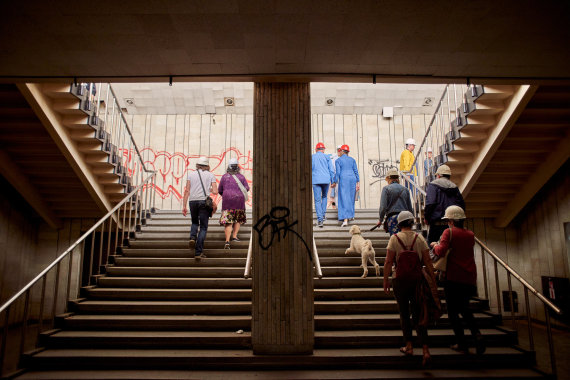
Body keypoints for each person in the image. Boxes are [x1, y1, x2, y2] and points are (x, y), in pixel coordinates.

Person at [430, 206, 486, 355]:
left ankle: (461, 343)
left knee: (453, 312)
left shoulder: (449, 232)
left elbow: (441, 251)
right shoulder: (470, 234)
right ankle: (477, 335)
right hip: (469, 278)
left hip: (453, 277)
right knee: (465, 309)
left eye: (448, 220)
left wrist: (435, 245)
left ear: (451, 221)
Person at [383, 211, 436, 367]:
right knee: (419, 314)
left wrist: (385, 280)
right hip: (417, 280)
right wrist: (432, 280)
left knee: (404, 313)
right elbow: (428, 261)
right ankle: (425, 350)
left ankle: (409, 346)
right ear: (412, 223)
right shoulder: (419, 238)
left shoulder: (394, 238)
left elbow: (388, 261)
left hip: (399, 280)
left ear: (399, 224)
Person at [182, 156, 218, 261]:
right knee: (203, 227)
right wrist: (208, 189)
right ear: (207, 165)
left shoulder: (191, 174)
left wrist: (184, 206)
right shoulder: (211, 175)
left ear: (197, 165)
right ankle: (198, 252)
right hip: (203, 202)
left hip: (192, 201)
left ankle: (192, 237)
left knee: (194, 222)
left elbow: (187, 190)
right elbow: (215, 191)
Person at [424, 164, 465, 244]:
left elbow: (430, 203)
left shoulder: (433, 185)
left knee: (433, 248)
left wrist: (427, 217)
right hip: (452, 224)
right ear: (449, 176)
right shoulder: (454, 187)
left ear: (438, 175)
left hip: (436, 225)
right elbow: (461, 205)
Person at [218, 158, 250, 249]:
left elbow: (220, 190)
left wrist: (226, 195)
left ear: (229, 166)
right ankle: (235, 236)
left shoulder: (224, 177)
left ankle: (227, 241)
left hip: (227, 201)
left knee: (228, 222)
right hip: (239, 200)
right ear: (238, 167)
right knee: (237, 218)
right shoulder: (241, 177)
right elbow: (247, 188)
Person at [378, 168, 413, 236]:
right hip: (405, 218)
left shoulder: (386, 189)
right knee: (405, 240)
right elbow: (410, 207)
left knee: (396, 240)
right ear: (398, 178)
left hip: (393, 218)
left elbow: (383, 207)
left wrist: (380, 219)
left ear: (388, 178)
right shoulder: (405, 189)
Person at [333, 144, 359, 227]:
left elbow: (338, 173)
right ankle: (351, 215)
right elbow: (356, 171)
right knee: (351, 197)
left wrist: (334, 182)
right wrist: (358, 182)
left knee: (343, 198)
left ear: (341, 151)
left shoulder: (338, 160)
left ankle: (345, 220)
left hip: (344, 179)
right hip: (352, 179)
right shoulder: (352, 160)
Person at [312, 142, 335, 228]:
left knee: (317, 200)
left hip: (315, 180)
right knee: (324, 197)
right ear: (323, 150)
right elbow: (331, 170)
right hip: (326, 180)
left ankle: (320, 219)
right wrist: (333, 181)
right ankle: (323, 215)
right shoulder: (327, 157)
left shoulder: (312, 157)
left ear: (316, 149)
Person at [328, 145, 343, 209]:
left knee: (333, 197)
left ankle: (335, 208)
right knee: (333, 196)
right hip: (334, 179)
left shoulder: (336, 157)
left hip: (336, 179)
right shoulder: (334, 157)